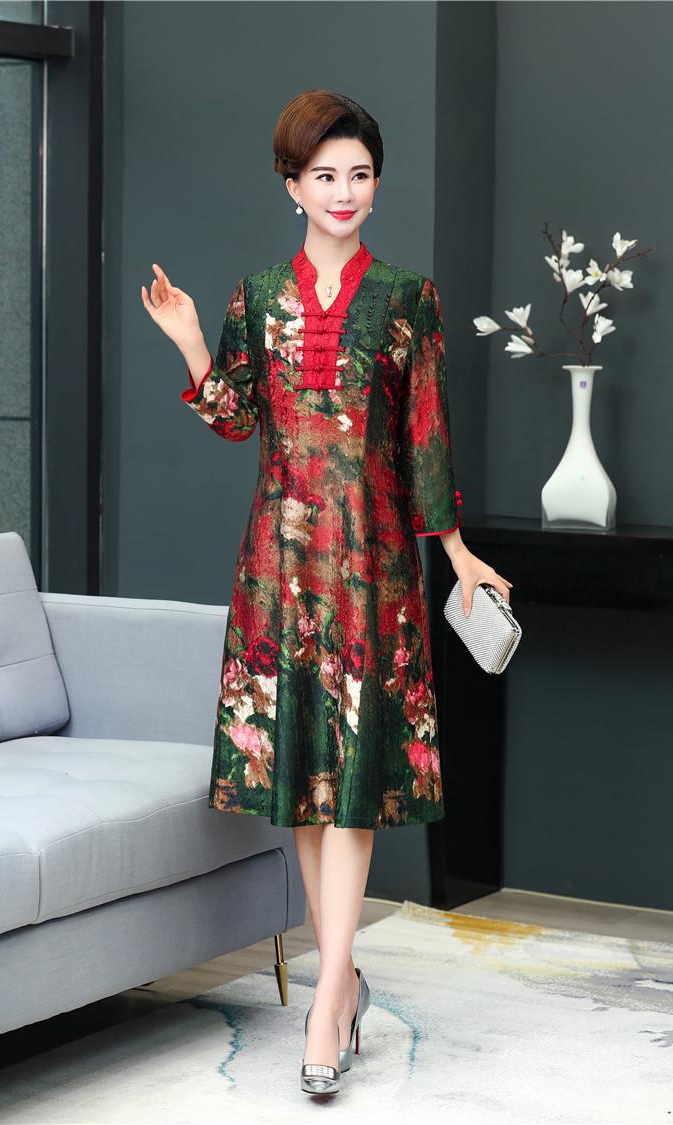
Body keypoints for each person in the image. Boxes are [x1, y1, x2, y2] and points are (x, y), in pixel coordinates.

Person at [141, 88, 513, 1096]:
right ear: (292, 186)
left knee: (350, 791)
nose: (343, 192)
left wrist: (457, 552)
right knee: (306, 783)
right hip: (278, 569)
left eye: (359, 175)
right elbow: (236, 417)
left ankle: (325, 998)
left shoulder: (409, 299)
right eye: (324, 176)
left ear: (375, 185)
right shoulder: (258, 296)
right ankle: (341, 985)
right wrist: (190, 339)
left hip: (374, 567)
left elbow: (426, 434)